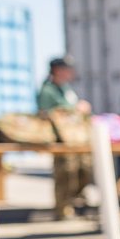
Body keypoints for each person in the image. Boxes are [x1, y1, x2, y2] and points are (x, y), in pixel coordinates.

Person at [36, 57, 92, 218]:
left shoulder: (66, 88)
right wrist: (73, 109)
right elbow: (45, 113)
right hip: (60, 140)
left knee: (83, 169)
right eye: (67, 69)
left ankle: (76, 202)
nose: (71, 72)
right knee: (65, 172)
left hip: (75, 138)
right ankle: (62, 208)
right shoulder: (48, 90)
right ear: (57, 70)